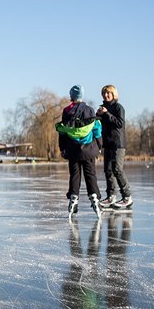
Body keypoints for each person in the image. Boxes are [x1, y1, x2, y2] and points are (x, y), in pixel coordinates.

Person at [55, 85, 102, 217]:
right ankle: (94, 197)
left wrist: (62, 148)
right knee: (90, 175)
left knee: (75, 175)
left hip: (73, 150)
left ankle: (74, 197)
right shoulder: (89, 110)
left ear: (72, 96)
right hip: (89, 149)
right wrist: (99, 145)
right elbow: (96, 129)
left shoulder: (66, 111)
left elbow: (63, 132)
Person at [97, 85, 132, 209]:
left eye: (108, 93)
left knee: (117, 169)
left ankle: (127, 196)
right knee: (108, 170)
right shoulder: (103, 108)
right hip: (108, 144)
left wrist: (107, 114)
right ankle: (111, 196)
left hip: (118, 144)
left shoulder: (118, 107)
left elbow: (120, 123)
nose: (105, 95)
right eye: (103, 93)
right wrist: (97, 115)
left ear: (113, 94)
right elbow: (98, 124)